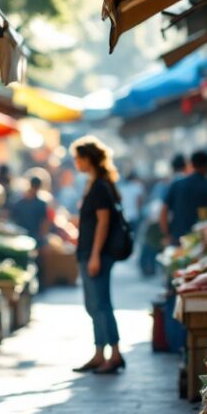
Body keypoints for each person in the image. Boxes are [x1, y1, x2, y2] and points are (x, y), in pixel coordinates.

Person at [71, 136, 125, 374]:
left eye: (78, 158)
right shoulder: (95, 183)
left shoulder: (100, 186)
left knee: (100, 304)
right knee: (94, 304)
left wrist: (94, 255)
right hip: (89, 252)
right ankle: (99, 353)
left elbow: (103, 223)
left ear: (87, 160)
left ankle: (114, 354)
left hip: (97, 254)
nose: (75, 162)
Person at [160, 150, 207, 244]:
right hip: (204, 241)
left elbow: (163, 212)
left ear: (191, 165)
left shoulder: (176, 185)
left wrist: (167, 235)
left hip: (178, 240)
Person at [9, 175, 52, 242]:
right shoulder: (41, 204)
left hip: (24, 237)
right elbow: (44, 224)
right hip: (26, 237)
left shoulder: (21, 202)